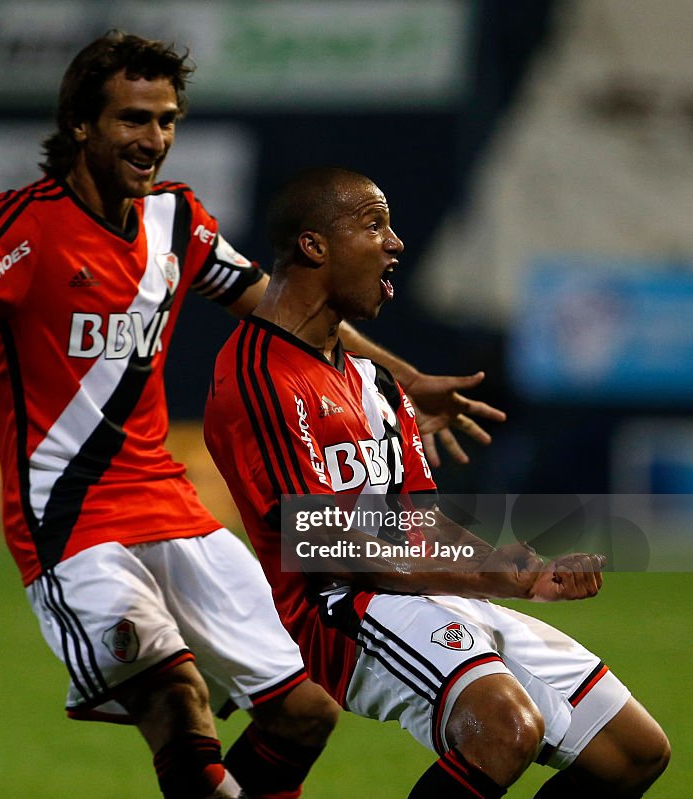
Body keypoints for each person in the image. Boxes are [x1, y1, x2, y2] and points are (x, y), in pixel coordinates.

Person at [0, 34, 501, 799]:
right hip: (74, 526)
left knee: (304, 713)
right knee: (176, 699)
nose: (153, 137)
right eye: (132, 118)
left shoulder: (177, 221)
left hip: (173, 508)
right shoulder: (26, 224)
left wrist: (400, 375)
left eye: (166, 120)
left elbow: (284, 308)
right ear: (81, 124)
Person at [203, 166, 670, 798]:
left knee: (634, 753)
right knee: (503, 727)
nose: (396, 243)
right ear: (314, 246)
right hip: (338, 608)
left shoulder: (374, 382)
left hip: (420, 590)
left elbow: (417, 524)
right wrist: (505, 574)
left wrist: (522, 569)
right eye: (375, 225)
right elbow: (323, 543)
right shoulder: (260, 373)